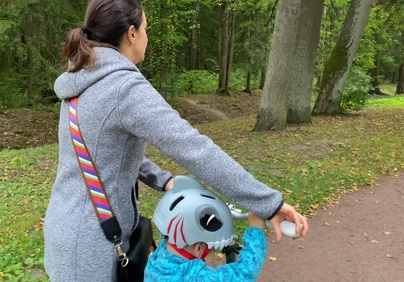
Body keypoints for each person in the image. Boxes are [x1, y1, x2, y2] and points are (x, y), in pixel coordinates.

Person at [44, 0, 308, 281]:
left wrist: (164, 179)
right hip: (92, 248)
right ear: (132, 33)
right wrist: (270, 203)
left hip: (65, 229)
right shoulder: (123, 87)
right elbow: (194, 149)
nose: (147, 36)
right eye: (146, 28)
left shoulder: (83, 78)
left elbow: (104, 151)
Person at [145, 175, 267, 281]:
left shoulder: (156, 260)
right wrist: (256, 231)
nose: (213, 254)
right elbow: (244, 273)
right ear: (198, 248)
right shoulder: (197, 277)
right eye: (213, 250)